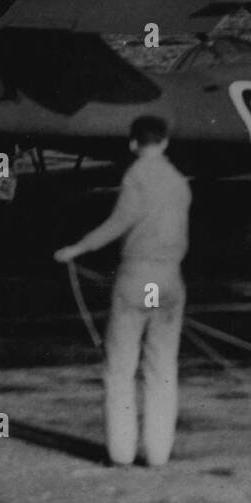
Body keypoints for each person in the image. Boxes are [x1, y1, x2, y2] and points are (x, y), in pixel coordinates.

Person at [54, 116, 192, 467]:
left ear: (133, 144)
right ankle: (159, 453)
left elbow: (120, 221)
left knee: (121, 367)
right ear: (164, 143)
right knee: (162, 367)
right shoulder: (179, 182)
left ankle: (122, 453)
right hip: (170, 279)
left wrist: (77, 248)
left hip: (139, 278)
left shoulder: (136, 177)